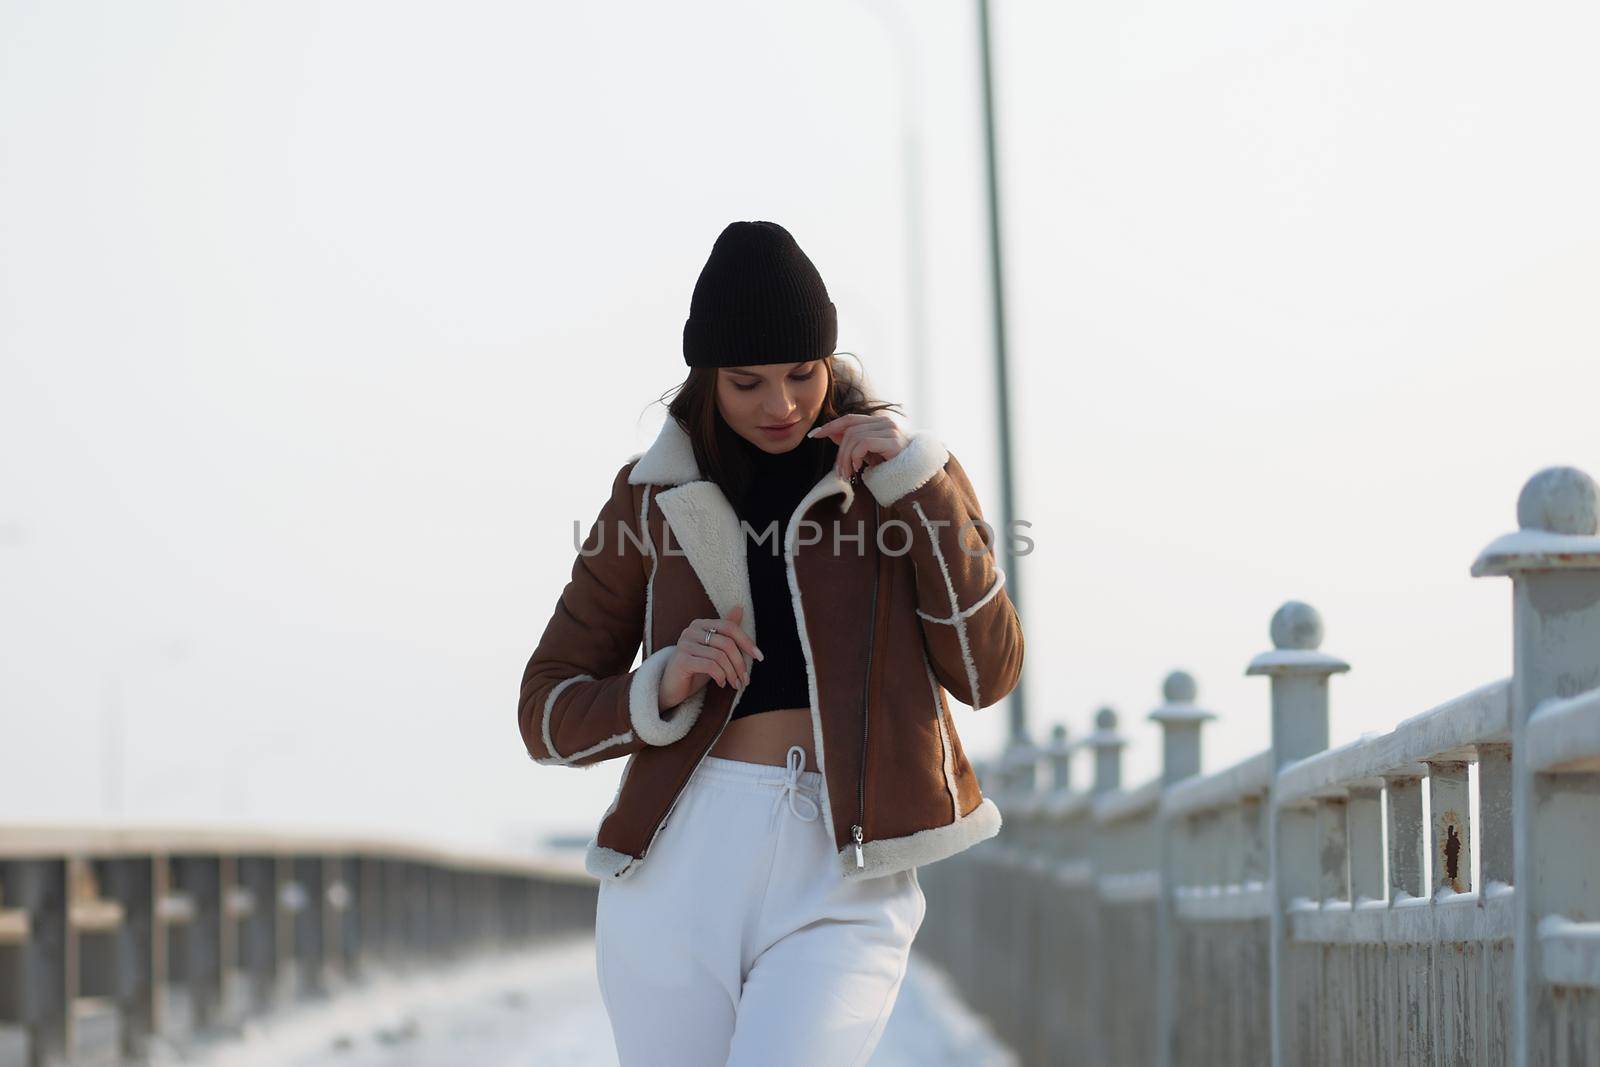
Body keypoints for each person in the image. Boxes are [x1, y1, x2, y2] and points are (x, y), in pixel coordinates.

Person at [517, 220, 1026, 1066]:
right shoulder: (653, 495)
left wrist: (919, 489)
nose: (782, 404)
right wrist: (663, 683)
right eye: (748, 382)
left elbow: (989, 668)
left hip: (843, 872)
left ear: (830, 359)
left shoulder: (899, 479)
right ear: (707, 375)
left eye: (802, 373)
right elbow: (546, 706)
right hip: (679, 867)